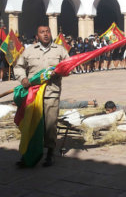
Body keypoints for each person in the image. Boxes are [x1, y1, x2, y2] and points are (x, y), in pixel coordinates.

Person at [14, 25, 69, 167]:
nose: (45, 34)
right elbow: (18, 67)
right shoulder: (29, 51)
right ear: (37, 36)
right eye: (42, 32)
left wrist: (60, 71)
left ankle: (50, 153)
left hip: (51, 92)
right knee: (31, 123)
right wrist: (23, 79)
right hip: (33, 94)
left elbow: (68, 67)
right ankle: (28, 154)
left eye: (48, 32)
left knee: (50, 124)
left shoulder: (60, 50)